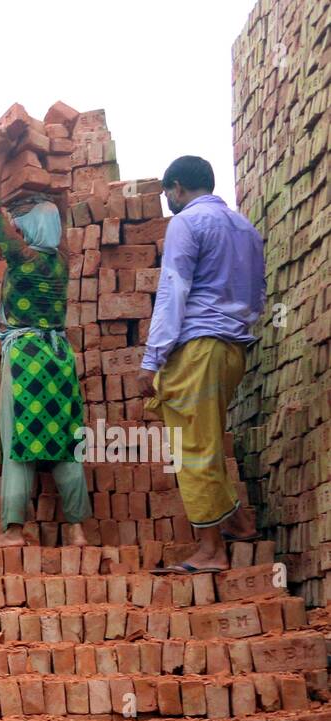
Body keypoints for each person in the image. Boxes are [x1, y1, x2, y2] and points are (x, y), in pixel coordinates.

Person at [130, 155, 265, 573]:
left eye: (167, 193)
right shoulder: (247, 229)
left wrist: (151, 360)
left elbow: (173, 292)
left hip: (198, 349)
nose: (168, 201)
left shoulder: (187, 223)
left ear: (176, 188)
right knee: (205, 439)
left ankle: (211, 551)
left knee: (192, 448)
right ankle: (239, 524)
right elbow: (258, 294)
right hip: (232, 351)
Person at [0, 130, 91, 548]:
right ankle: (78, 530)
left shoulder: (22, 260)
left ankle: (13, 529)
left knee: (19, 443)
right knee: (65, 444)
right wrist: (55, 184)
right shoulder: (62, 261)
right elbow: (58, 217)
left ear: (27, 229)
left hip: (24, 357)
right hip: (60, 357)